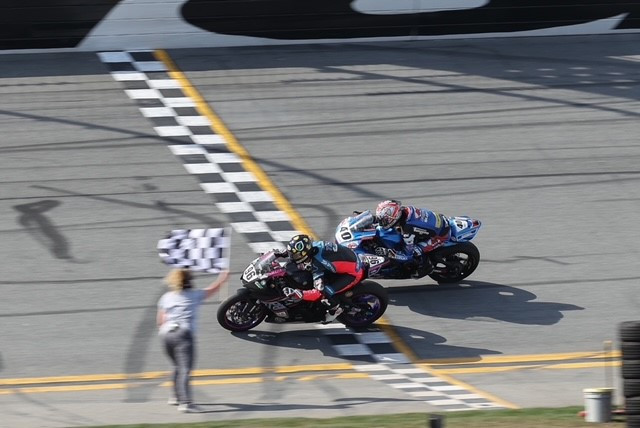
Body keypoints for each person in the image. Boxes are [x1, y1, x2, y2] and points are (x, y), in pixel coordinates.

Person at [157, 268, 230, 413]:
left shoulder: (166, 297)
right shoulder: (194, 295)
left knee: (176, 366)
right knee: (185, 369)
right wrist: (223, 278)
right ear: (190, 281)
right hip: (183, 334)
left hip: (166, 334)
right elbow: (212, 290)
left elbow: (160, 320)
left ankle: (175, 397)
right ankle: (185, 403)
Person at [355, 200, 451, 277]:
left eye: (384, 221)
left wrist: (387, 252)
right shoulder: (404, 211)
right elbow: (386, 217)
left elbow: (407, 255)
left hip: (440, 236)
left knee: (416, 253)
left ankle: (423, 267)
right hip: (437, 223)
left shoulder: (407, 230)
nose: (382, 223)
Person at [285, 234, 366, 323]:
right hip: (346, 260)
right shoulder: (313, 246)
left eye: (295, 256)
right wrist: (279, 254)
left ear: (304, 254)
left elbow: (318, 293)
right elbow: (295, 252)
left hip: (352, 273)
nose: (292, 257)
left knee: (325, 293)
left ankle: (335, 310)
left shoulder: (317, 263)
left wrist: (300, 294)